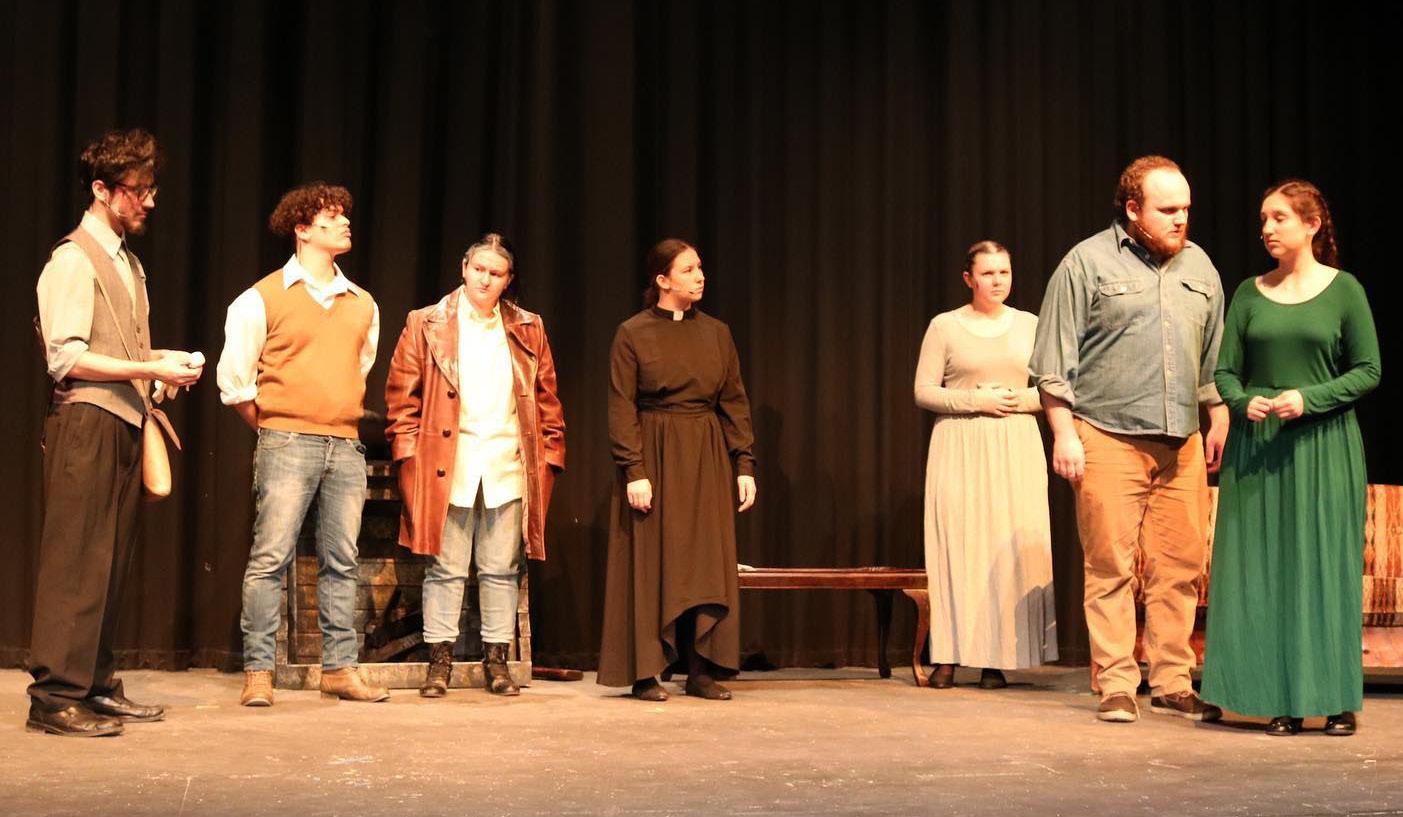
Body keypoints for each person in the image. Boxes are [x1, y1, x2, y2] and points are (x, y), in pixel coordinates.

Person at [1030, 155, 1229, 724]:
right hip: (1106, 434)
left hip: (1181, 441)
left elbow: (1212, 359)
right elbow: (1052, 363)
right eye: (1168, 210)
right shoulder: (1086, 263)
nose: (1180, 219)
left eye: (1186, 208)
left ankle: (1171, 680)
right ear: (1134, 209)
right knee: (1111, 566)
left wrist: (1217, 415)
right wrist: (1063, 434)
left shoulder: (1200, 267)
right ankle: (1117, 682)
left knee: (1180, 567)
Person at [28, 128, 204, 737]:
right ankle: (54, 696)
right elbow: (66, 357)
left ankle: (95, 684)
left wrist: (160, 362)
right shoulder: (73, 260)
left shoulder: (128, 262)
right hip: (86, 423)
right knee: (76, 561)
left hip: (124, 418)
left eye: (152, 188)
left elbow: (118, 347)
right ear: (102, 190)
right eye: (138, 189)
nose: (149, 200)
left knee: (109, 563)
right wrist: (148, 370)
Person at [1200, 180, 1380, 736]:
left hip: (1324, 446)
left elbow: (1368, 370)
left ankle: (1335, 699)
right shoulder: (1250, 293)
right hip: (1259, 447)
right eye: (1263, 219)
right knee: (1262, 571)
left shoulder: (1344, 290)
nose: (1267, 229)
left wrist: (1309, 398)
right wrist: (1241, 401)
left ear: (1311, 224)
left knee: (1323, 568)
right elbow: (1225, 371)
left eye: (1279, 218)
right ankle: (1277, 697)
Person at [217, 182, 388, 706]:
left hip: (345, 446)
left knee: (342, 561)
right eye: (332, 217)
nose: (345, 223)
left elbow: (357, 369)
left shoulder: (363, 304)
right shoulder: (261, 298)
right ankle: (258, 672)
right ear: (302, 228)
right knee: (270, 558)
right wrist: (279, 427)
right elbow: (236, 383)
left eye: (345, 215)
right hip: (287, 441)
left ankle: (339, 668)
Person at [384, 233, 566, 698]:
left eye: (496, 273)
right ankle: (439, 664)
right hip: (448, 465)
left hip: (506, 464)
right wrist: (408, 457)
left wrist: (550, 456)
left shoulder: (529, 328)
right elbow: (402, 398)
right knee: (444, 568)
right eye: (479, 269)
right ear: (464, 268)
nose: (485, 279)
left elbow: (547, 400)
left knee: (501, 569)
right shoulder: (426, 322)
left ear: (508, 280)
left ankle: (496, 662)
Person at [597, 239, 757, 701]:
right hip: (655, 453)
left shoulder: (718, 334)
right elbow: (621, 406)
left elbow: (734, 402)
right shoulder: (632, 333)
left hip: (706, 455)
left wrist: (744, 463)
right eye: (688, 269)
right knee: (651, 564)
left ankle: (700, 670)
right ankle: (646, 673)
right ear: (662, 280)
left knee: (705, 565)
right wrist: (634, 470)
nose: (700, 276)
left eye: (700, 267)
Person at [915, 241, 1056, 690]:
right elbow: (923, 390)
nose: (998, 281)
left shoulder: (1031, 325)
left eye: (1004, 272)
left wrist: (1018, 400)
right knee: (958, 548)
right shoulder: (945, 326)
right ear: (969, 279)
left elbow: (1053, 389)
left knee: (1004, 551)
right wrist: (976, 400)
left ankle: (997, 659)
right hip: (960, 444)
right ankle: (948, 656)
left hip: (1015, 443)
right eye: (988, 273)